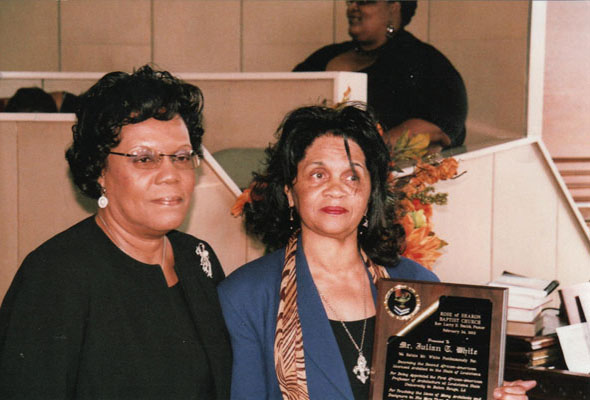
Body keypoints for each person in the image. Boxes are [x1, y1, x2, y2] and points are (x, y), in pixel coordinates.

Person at [218, 104, 535, 399]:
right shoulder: (246, 295)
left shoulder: (418, 283)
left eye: (352, 176)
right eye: (318, 174)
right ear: (290, 191)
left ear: (371, 194)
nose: (336, 189)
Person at [0, 65, 232, 399]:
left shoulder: (198, 258)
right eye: (144, 159)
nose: (171, 175)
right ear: (99, 170)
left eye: (181, 157)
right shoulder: (55, 275)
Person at [293, 0, 467, 152]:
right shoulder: (325, 56)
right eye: (351, 1)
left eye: (365, 1)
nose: (352, 8)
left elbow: (442, 128)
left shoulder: (425, 61)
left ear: (394, 8)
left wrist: (368, 156)